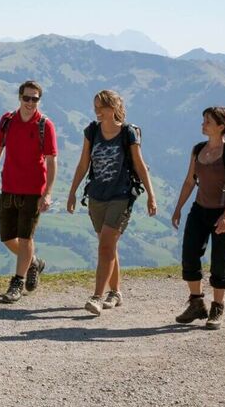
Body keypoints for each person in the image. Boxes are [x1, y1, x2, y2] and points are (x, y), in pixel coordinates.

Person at [66, 90, 157, 315]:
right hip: (96, 196)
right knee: (109, 246)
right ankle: (115, 292)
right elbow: (82, 165)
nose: (97, 111)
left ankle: (97, 296)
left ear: (113, 107)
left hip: (121, 196)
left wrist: (151, 195)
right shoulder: (92, 131)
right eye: (95, 106)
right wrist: (72, 192)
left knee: (105, 245)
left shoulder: (128, 133)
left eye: (102, 107)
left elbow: (139, 164)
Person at [0, 80, 59, 303]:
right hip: (9, 187)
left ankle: (17, 283)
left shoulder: (45, 125)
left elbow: (52, 161)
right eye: (27, 98)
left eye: (35, 99)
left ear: (39, 100)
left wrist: (48, 193)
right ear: (19, 97)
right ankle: (34, 262)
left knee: (25, 238)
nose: (30, 102)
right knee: (7, 237)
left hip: (34, 191)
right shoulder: (7, 121)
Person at [170, 106, 225, 329]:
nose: (203, 124)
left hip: (222, 213)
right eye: (203, 120)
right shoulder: (198, 149)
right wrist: (178, 208)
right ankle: (196, 304)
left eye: (208, 121)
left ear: (221, 126)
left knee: (219, 263)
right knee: (189, 256)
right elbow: (189, 181)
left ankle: (217, 308)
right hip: (199, 210)